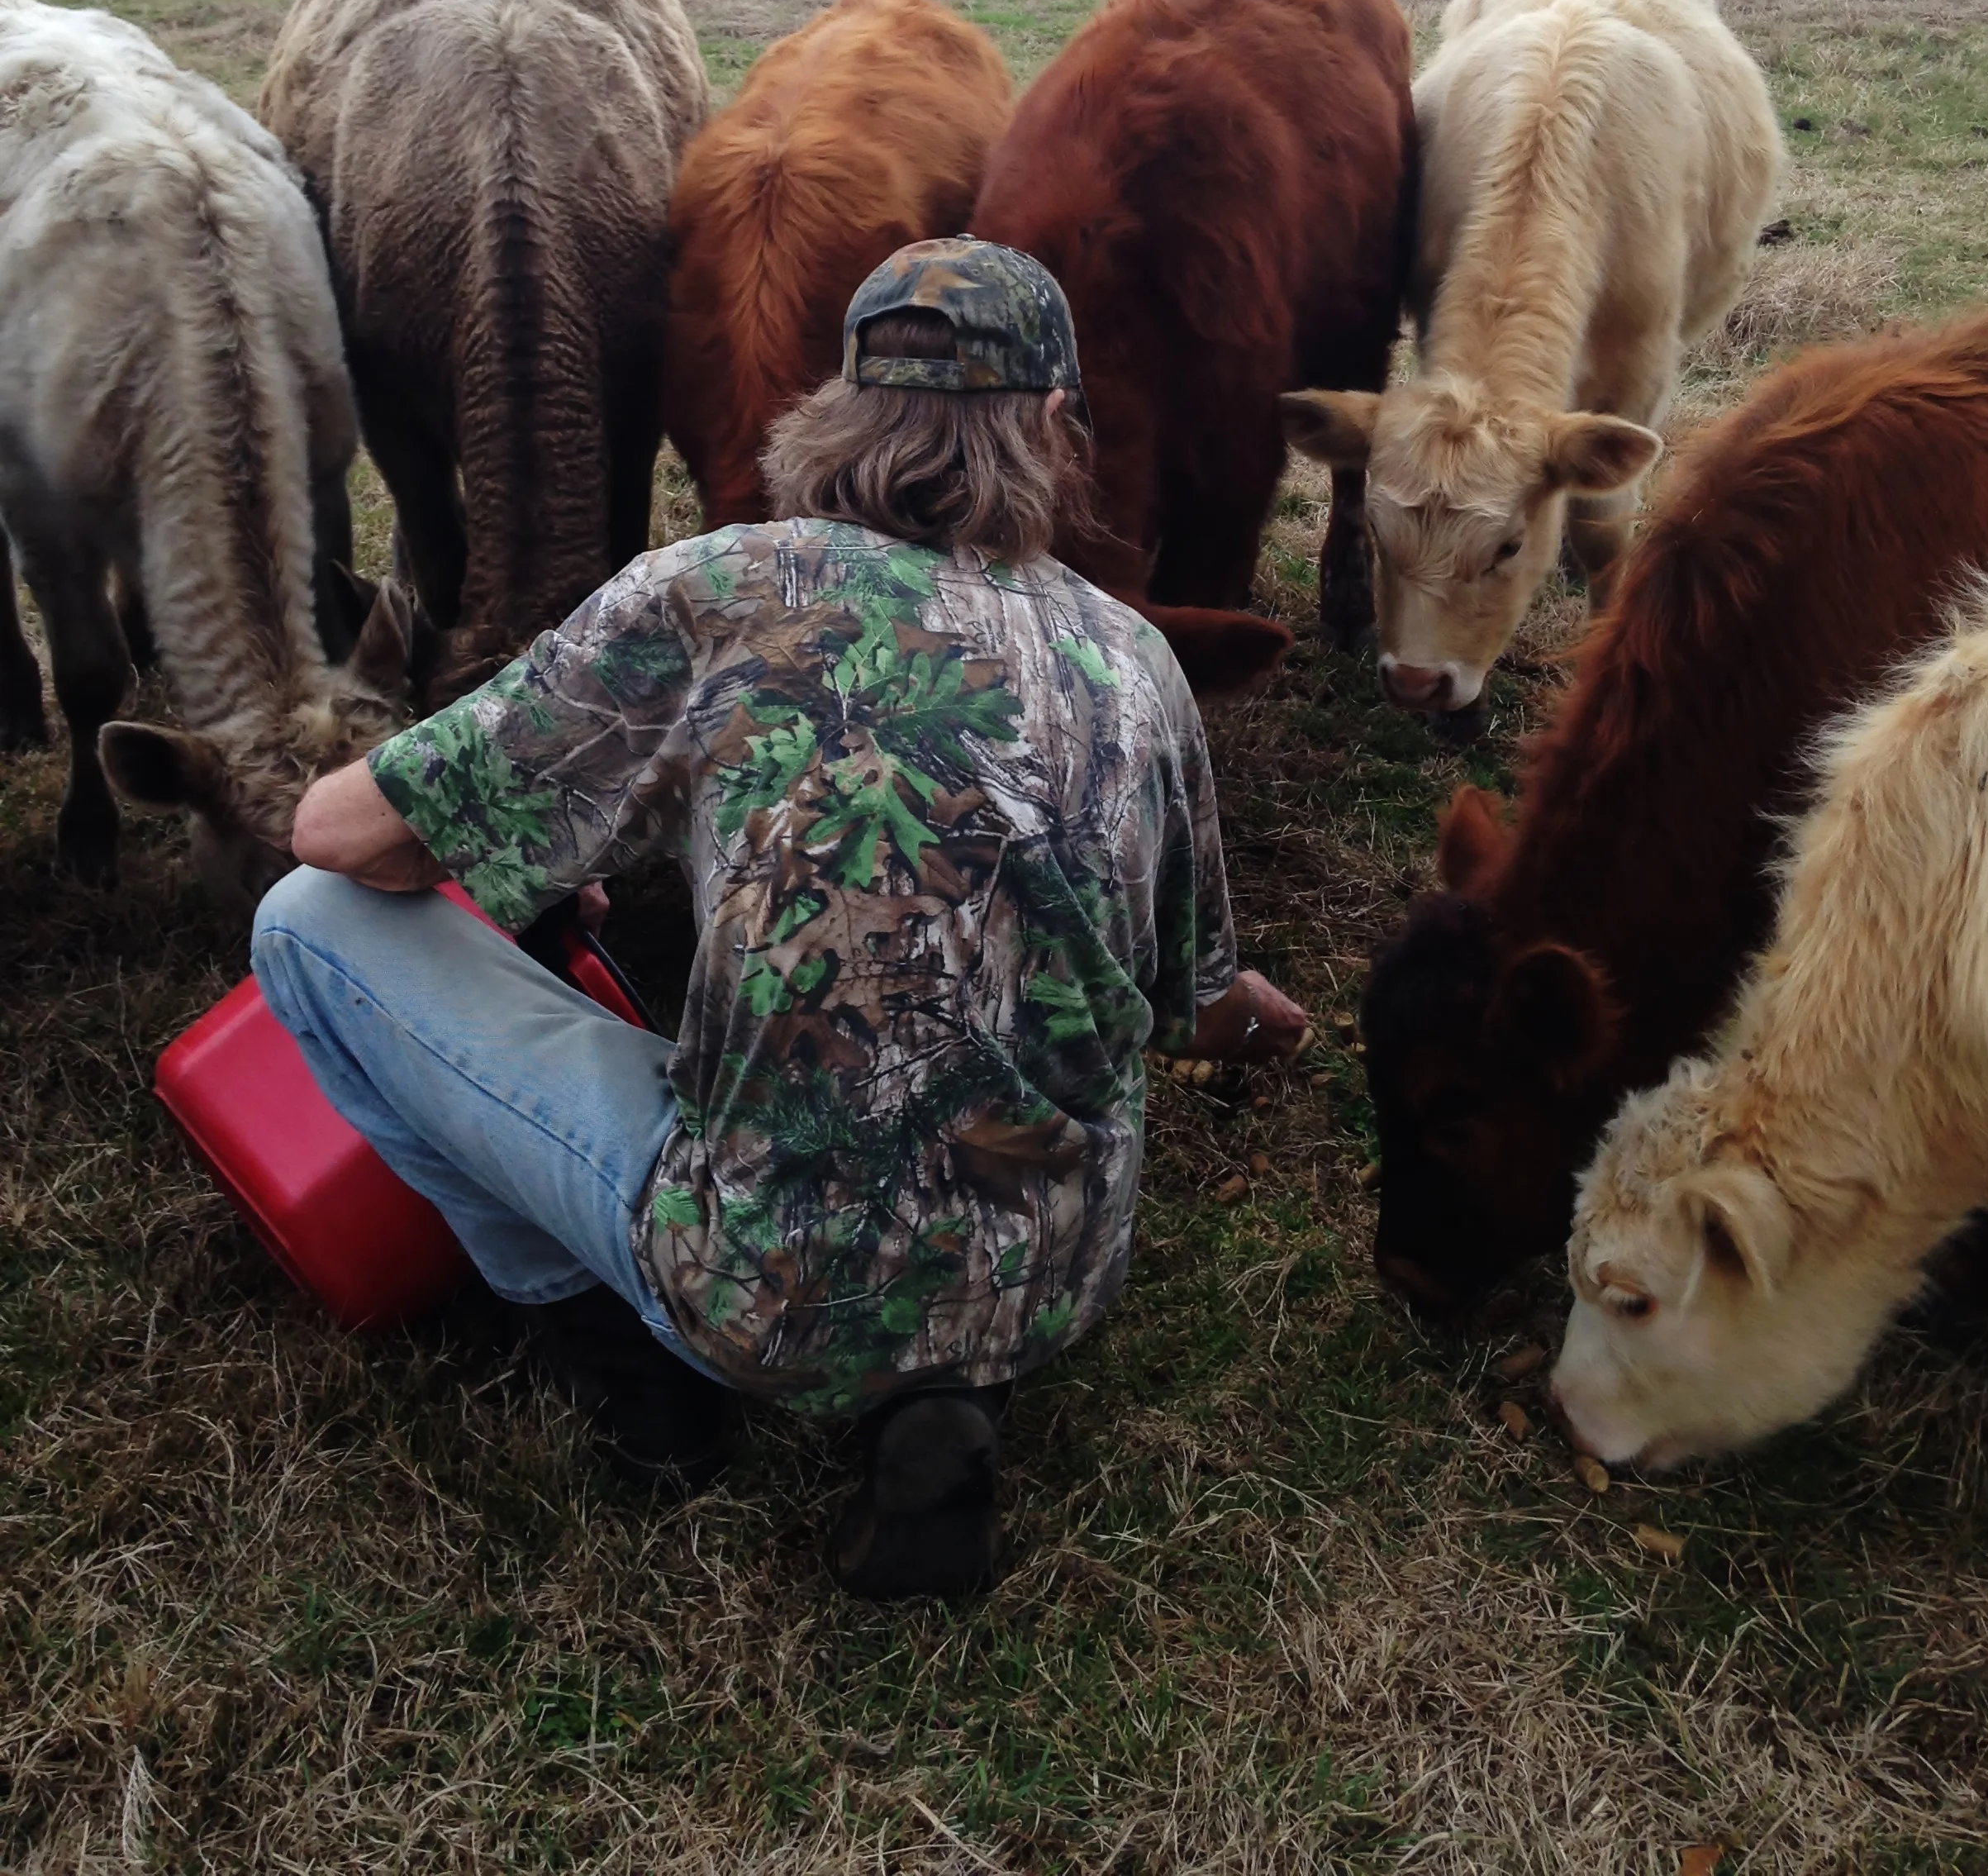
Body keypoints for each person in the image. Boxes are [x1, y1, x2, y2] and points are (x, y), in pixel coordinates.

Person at [252, 237, 1307, 1601]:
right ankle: (947, 1392)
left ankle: (628, 1356)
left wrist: (540, 823)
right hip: (1052, 1283)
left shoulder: (711, 590)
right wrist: (1249, 1017)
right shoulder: (1139, 660)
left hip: (764, 1295)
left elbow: (343, 838)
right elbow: (1191, 998)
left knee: (303, 920)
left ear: (840, 409)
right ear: (1055, 425)